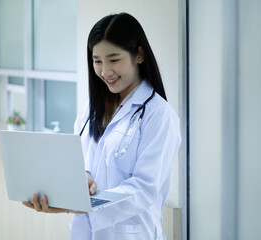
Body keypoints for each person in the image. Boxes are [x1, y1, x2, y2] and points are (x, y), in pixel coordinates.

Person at [21, 12, 181, 240]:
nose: (105, 72)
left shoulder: (159, 115)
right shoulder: (90, 109)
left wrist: (85, 204)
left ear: (139, 54)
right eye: (97, 61)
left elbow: (145, 189)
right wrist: (80, 179)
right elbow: (81, 161)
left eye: (114, 60)